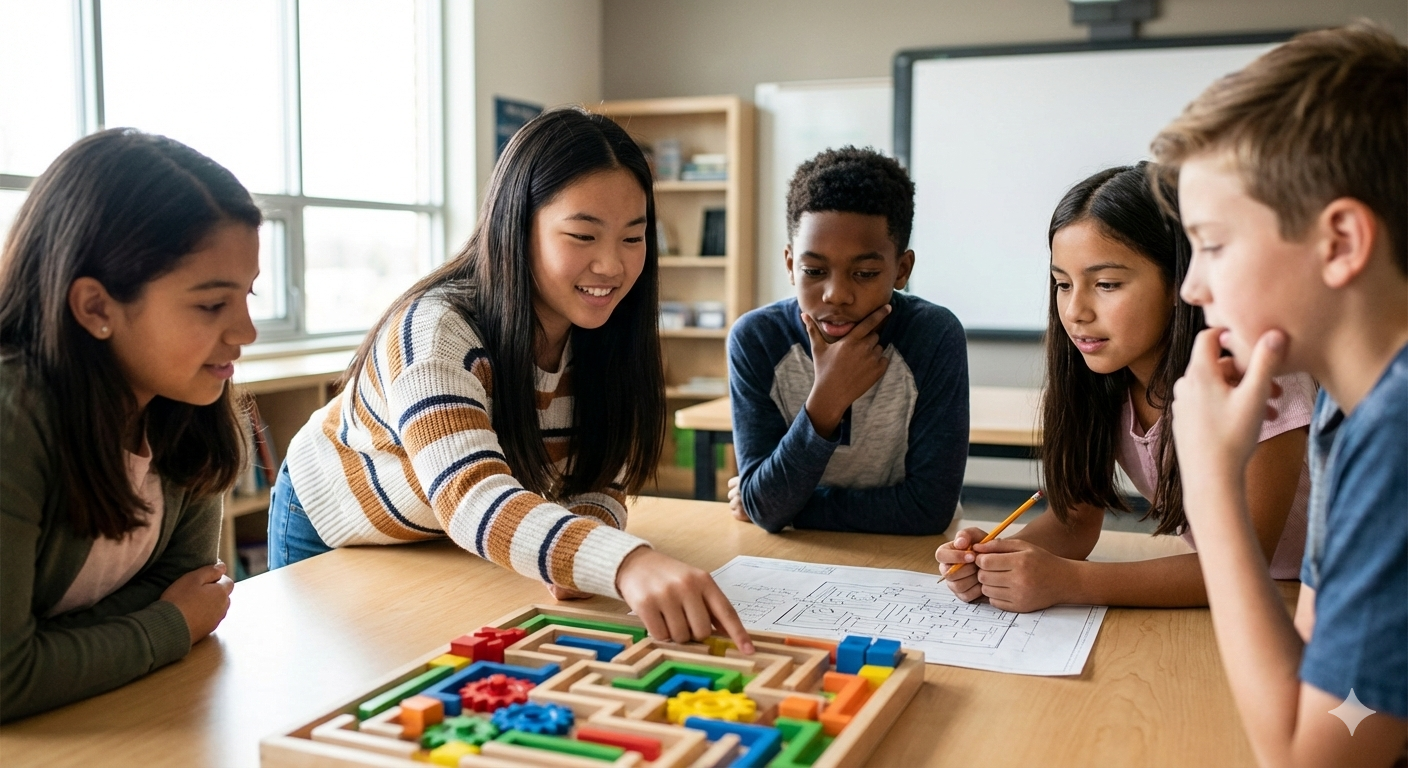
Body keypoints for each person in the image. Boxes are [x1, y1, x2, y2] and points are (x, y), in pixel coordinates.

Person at [270, 108, 752, 652]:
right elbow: (469, 494)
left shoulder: (606, 329)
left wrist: (585, 544)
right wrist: (624, 563)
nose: (612, 266)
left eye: (633, 239)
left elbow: (602, 474)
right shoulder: (435, 331)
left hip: (450, 537)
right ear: (515, 226)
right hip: (339, 530)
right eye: (582, 235)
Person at [1158, 24, 1407, 765]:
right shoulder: (1346, 402)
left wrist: (1210, 484)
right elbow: (1314, 676)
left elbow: (1308, 761)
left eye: (1215, 244)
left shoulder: (1397, 432)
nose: (1191, 286)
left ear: (1339, 243)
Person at [936, 163, 1313, 612]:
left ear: (1180, 282)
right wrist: (997, 560)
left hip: (1330, 595)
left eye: (1107, 284)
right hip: (1256, 601)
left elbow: (1242, 566)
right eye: (1062, 284)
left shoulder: (1257, 377)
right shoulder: (1103, 381)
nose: (1075, 310)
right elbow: (1072, 526)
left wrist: (1072, 581)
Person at [0, 129, 257, 721]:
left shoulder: (187, 403)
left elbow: (193, 585)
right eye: (212, 304)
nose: (246, 332)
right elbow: (8, 676)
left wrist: (57, 644)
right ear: (95, 308)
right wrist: (164, 624)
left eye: (248, 294)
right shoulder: (15, 416)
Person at [726, 146, 968, 535]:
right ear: (790, 265)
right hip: (794, 561)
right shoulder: (757, 339)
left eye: (866, 272)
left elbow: (928, 509)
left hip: (910, 563)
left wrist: (784, 508)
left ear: (901, 269)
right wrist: (827, 399)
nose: (835, 294)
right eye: (814, 270)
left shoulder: (934, 336)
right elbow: (766, 508)